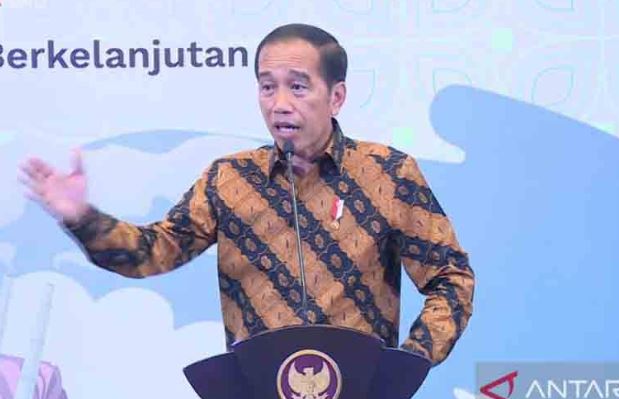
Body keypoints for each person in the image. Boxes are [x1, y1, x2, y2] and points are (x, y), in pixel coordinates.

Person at [18, 23, 474, 366]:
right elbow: (152, 254)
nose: (279, 103)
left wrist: (407, 364)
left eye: (298, 86)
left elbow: (451, 279)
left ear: (336, 97)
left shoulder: (390, 173)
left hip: (360, 394)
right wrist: (80, 216)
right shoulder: (229, 179)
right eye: (267, 86)